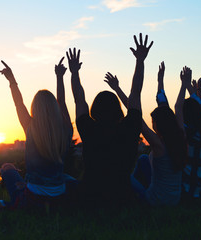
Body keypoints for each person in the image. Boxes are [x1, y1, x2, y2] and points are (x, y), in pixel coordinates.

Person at [67, 33, 152, 203]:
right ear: (118, 110)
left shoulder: (88, 128)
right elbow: (136, 93)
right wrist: (140, 61)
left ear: (95, 110)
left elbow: (79, 99)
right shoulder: (130, 127)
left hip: (90, 199)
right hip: (123, 197)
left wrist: (75, 72)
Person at [106, 62, 187, 205]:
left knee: (123, 174)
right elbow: (178, 107)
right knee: (144, 158)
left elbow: (134, 114)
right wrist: (180, 83)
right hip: (175, 199)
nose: (152, 124)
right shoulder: (181, 136)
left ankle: (129, 197)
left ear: (159, 124)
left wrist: (117, 89)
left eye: (153, 122)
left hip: (156, 201)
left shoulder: (158, 145)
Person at [0, 58, 75, 208]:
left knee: (7, 167)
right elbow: (62, 102)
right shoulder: (66, 128)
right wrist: (59, 77)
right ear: (55, 108)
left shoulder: (30, 127)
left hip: (32, 198)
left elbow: (18, 103)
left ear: (35, 108)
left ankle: (14, 203)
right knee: (68, 179)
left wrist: (11, 79)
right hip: (60, 196)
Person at [175, 68, 201, 199]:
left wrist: (184, 84)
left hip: (185, 191)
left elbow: (177, 108)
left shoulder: (186, 134)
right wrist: (192, 86)